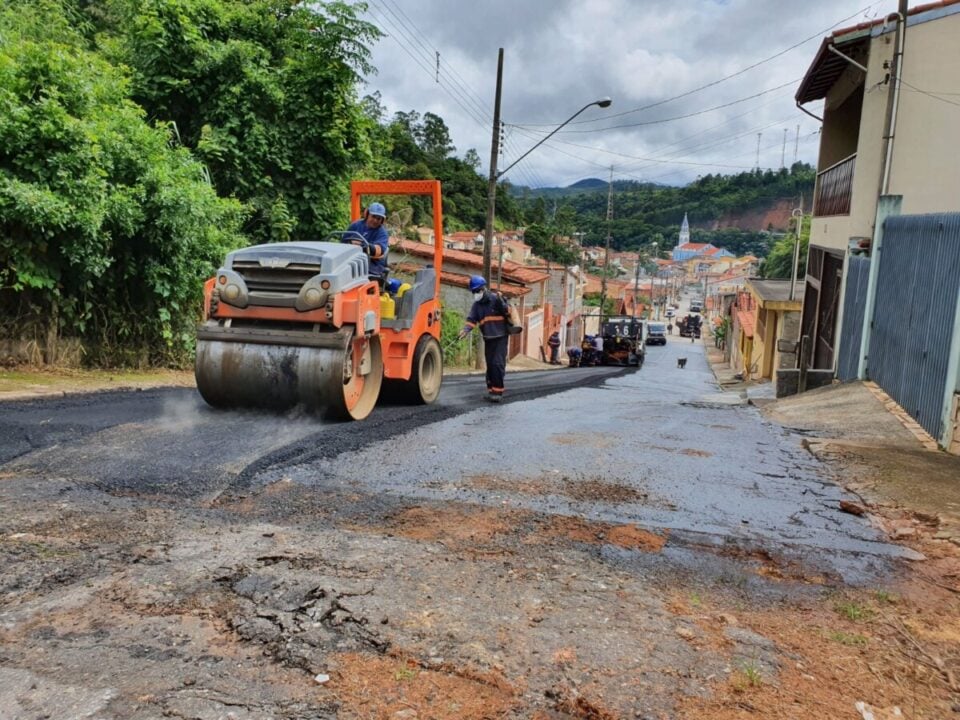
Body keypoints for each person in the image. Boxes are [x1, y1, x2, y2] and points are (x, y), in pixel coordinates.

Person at [457, 275, 510, 403]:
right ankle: (491, 390)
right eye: (473, 292)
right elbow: (471, 320)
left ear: (483, 289)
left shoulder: (495, 299)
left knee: (497, 364)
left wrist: (502, 301)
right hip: (488, 338)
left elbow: (507, 311)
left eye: (477, 291)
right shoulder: (476, 306)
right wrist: (465, 331)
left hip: (500, 336)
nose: (476, 294)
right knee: (490, 365)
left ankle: (498, 392)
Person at [345, 202, 389, 279]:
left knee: (351, 270)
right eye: (373, 216)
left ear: (382, 220)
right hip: (351, 260)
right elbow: (342, 242)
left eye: (378, 218)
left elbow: (379, 250)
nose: (375, 220)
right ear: (367, 214)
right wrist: (349, 243)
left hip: (372, 265)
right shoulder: (355, 225)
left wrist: (363, 247)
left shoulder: (382, 233)